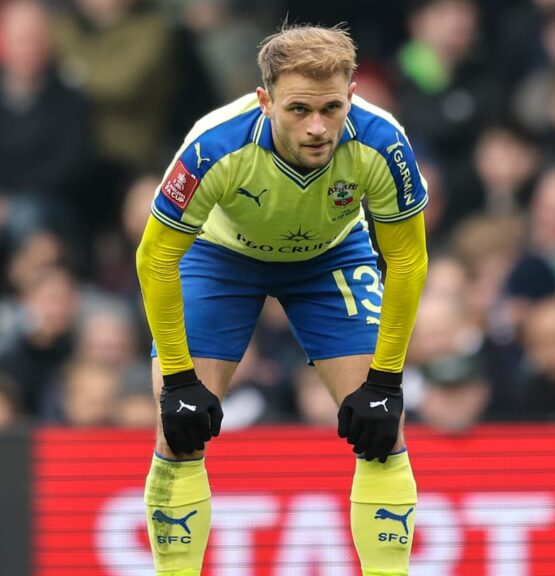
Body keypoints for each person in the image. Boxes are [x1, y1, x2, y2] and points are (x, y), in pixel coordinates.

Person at [136, 24, 428, 575]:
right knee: (180, 429)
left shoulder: (383, 142)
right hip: (221, 256)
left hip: (330, 256)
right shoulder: (214, 145)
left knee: (380, 427)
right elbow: (154, 259)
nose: (318, 127)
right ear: (265, 101)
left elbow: (409, 261)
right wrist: (177, 380)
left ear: (352, 94)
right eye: (299, 110)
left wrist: (387, 383)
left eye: (332, 108)